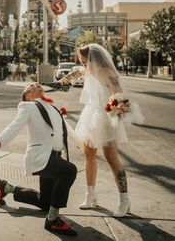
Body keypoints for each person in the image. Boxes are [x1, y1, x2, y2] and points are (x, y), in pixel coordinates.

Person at [59, 43, 144, 217]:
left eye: (84, 61)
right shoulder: (88, 70)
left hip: (105, 116)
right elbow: (76, 73)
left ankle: (124, 200)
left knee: (111, 157)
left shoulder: (106, 72)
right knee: (89, 154)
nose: (83, 65)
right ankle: (90, 196)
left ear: (93, 59)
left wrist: (117, 107)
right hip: (90, 114)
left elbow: (119, 94)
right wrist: (64, 80)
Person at [0, 83, 78, 236]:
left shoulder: (52, 108)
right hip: (41, 157)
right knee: (69, 171)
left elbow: (67, 131)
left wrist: (85, 143)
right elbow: (14, 125)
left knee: (46, 202)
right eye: (32, 86)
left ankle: (6, 188)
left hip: (55, 157)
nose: (37, 84)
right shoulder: (28, 106)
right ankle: (52, 220)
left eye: (37, 83)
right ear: (28, 96)